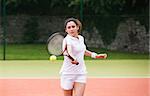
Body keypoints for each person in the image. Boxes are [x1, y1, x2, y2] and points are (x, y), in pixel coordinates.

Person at [59, 17, 107, 96]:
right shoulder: (67, 40)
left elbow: (83, 50)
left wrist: (95, 55)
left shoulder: (81, 38)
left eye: (73, 27)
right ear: (66, 30)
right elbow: (69, 51)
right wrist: (73, 58)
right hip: (67, 74)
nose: (71, 29)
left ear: (78, 27)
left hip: (80, 73)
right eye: (69, 27)